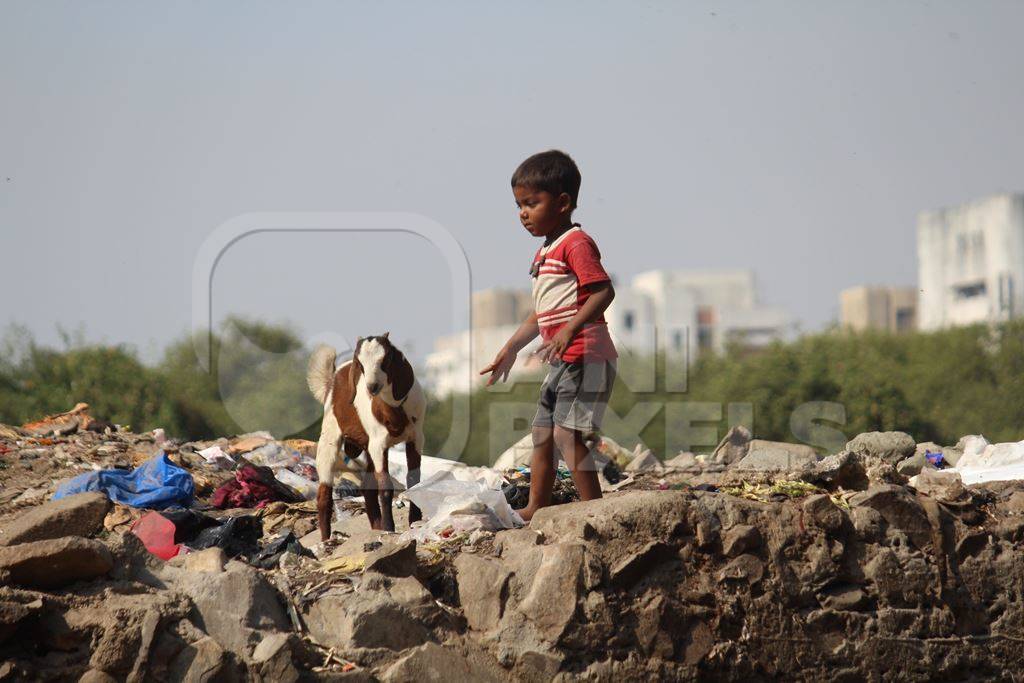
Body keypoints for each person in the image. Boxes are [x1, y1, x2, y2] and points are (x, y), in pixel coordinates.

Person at [480, 149, 617, 521]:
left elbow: (604, 291)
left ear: (562, 203)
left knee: (565, 434)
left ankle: (594, 510)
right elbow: (541, 312)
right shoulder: (546, 251)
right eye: (519, 205)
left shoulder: (576, 243)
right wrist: (510, 348)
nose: (523, 213)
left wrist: (571, 328)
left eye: (532, 203)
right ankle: (537, 505)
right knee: (543, 433)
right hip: (564, 359)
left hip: (586, 355)